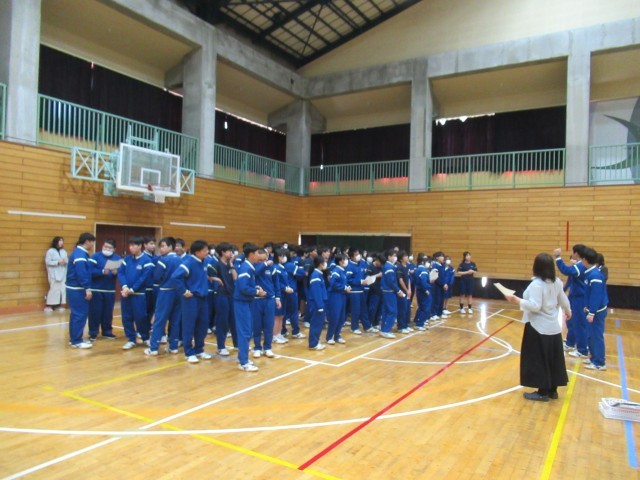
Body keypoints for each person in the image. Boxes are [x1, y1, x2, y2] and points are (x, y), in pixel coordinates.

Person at [506, 253, 571, 401]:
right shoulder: (557, 282)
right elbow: (563, 299)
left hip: (538, 327)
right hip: (553, 328)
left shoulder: (537, 284)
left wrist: (516, 300)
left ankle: (542, 392)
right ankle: (553, 390)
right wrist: (568, 310)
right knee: (553, 358)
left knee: (538, 359)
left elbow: (535, 306)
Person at [170, 240, 213, 364]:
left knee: (202, 325)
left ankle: (199, 349)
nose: (207, 252)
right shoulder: (189, 262)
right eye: (205, 250)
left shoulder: (204, 261)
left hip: (203, 298)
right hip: (191, 299)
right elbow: (175, 277)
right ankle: (189, 352)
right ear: (197, 252)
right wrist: (184, 291)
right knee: (189, 326)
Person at [145, 237, 182, 356]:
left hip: (166, 291)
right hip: (179, 292)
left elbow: (156, 277)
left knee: (160, 320)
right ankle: (173, 347)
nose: (161, 249)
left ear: (170, 247)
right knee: (175, 320)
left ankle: (154, 348)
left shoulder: (163, 260)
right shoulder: (181, 260)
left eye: (163, 246)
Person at [118, 236, 155, 350]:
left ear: (140, 246)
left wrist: (133, 289)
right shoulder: (127, 259)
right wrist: (124, 287)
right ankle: (131, 339)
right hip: (126, 294)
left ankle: (145, 337)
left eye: (134, 245)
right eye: (130, 245)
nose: (131, 248)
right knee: (126, 317)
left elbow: (144, 278)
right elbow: (121, 272)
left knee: (141, 317)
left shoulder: (147, 261)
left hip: (138, 295)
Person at [234, 243, 266, 371]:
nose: (259, 255)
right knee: (244, 331)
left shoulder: (249, 267)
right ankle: (243, 362)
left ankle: (243, 358)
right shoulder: (246, 268)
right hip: (241, 303)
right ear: (251, 254)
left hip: (247, 302)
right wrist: (257, 292)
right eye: (257, 253)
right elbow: (243, 287)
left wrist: (255, 287)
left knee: (247, 330)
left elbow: (246, 285)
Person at [553, 245, 589, 359]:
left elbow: (565, 270)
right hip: (574, 297)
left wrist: (558, 257)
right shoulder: (579, 265)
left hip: (580, 298)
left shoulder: (580, 266)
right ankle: (570, 343)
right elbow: (570, 280)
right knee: (572, 321)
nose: (572, 254)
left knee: (579, 323)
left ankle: (582, 350)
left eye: (573, 252)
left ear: (577, 253)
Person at [66, 232, 96, 349]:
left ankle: (74, 339)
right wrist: (87, 288)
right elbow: (82, 273)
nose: (93, 244)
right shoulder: (80, 255)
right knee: (80, 314)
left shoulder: (79, 253)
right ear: (87, 241)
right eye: (92, 242)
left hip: (74, 288)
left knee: (75, 314)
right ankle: (77, 340)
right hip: (77, 289)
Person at [582, 247, 609, 371]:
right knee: (590, 335)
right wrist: (587, 307)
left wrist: (592, 312)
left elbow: (596, 296)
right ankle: (594, 357)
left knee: (596, 336)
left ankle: (599, 362)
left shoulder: (595, 276)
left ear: (585, 260)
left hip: (597, 312)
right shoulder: (590, 273)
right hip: (591, 310)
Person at [88, 238, 120, 341]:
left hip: (110, 290)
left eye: (110, 248)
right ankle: (93, 333)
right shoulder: (95, 256)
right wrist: (101, 271)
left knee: (108, 313)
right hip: (96, 289)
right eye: (105, 247)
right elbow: (89, 271)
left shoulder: (117, 258)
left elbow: (122, 273)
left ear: (114, 249)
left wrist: (116, 273)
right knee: (95, 312)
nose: (107, 249)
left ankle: (107, 331)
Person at [326, 253, 350, 345]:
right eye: (345, 259)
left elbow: (343, 283)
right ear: (340, 261)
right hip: (335, 296)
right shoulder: (336, 271)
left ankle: (337, 336)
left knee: (341, 317)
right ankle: (329, 337)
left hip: (342, 296)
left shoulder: (343, 271)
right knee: (335, 317)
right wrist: (344, 288)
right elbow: (333, 283)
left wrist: (347, 287)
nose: (347, 261)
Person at [380, 249, 404, 339]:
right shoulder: (389, 267)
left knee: (386, 311)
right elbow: (391, 282)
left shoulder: (389, 266)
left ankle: (383, 329)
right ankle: (386, 330)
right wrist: (398, 290)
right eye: (394, 256)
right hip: (389, 291)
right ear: (389, 257)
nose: (395, 258)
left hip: (387, 291)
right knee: (392, 311)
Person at [307, 256, 328, 350]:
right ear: (320, 264)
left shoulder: (319, 274)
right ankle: (313, 343)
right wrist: (319, 306)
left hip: (320, 303)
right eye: (324, 262)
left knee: (319, 324)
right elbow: (316, 292)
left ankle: (315, 341)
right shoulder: (315, 275)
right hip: (317, 304)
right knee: (316, 324)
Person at [45, 236, 68, 312]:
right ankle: (49, 305)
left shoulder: (63, 251)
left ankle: (58, 305)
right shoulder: (50, 251)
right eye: (60, 240)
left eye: (62, 240)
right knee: (54, 289)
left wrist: (65, 261)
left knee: (62, 289)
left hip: (63, 273)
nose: (61, 242)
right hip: (54, 273)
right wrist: (57, 262)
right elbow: (48, 262)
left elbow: (67, 260)